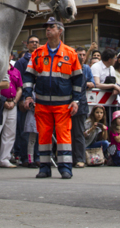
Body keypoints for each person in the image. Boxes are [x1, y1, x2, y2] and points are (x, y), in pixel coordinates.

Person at [22, 17, 83, 179]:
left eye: (52, 27)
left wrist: (76, 100)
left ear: (60, 31)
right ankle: (44, 167)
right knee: (43, 135)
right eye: (47, 27)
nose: (48, 29)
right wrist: (28, 97)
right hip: (42, 104)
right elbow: (28, 77)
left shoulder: (70, 54)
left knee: (64, 136)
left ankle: (65, 168)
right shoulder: (37, 53)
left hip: (63, 104)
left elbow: (78, 80)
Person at [0, 55, 23, 169]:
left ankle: (4, 158)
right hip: (0, 104)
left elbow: (19, 88)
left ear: (11, 56)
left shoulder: (16, 71)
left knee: (10, 132)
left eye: (9, 53)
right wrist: (3, 101)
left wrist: (14, 102)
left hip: (12, 104)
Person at [14, 36, 40, 166]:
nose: (35, 44)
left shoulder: (41, 58)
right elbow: (19, 81)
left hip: (39, 97)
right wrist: (21, 99)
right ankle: (25, 158)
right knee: (25, 129)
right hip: (26, 97)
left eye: (37, 42)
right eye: (32, 42)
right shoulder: (21, 62)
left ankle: (38, 157)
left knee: (38, 130)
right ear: (27, 45)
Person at [72, 46, 95, 168]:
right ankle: (69, 158)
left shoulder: (82, 72)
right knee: (68, 134)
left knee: (78, 133)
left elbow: (80, 91)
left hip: (79, 107)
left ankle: (79, 158)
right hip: (67, 106)